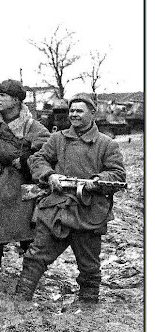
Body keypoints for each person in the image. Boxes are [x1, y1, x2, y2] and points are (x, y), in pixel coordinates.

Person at [15, 93, 126, 303]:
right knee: (35, 257)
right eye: (71, 111)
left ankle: (88, 309)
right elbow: (37, 158)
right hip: (57, 208)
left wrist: (98, 180)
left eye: (79, 111)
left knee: (89, 267)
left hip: (89, 212)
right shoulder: (58, 138)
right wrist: (50, 175)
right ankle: (20, 304)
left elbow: (118, 174)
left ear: (92, 114)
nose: (74, 115)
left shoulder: (107, 144)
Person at [0, 80, 50, 272]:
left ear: (16, 100)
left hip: (20, 187)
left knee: (27, 235)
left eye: (3, 95)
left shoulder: (32, 127)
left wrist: (24, 161)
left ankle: (30, 278)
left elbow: (48, 153)